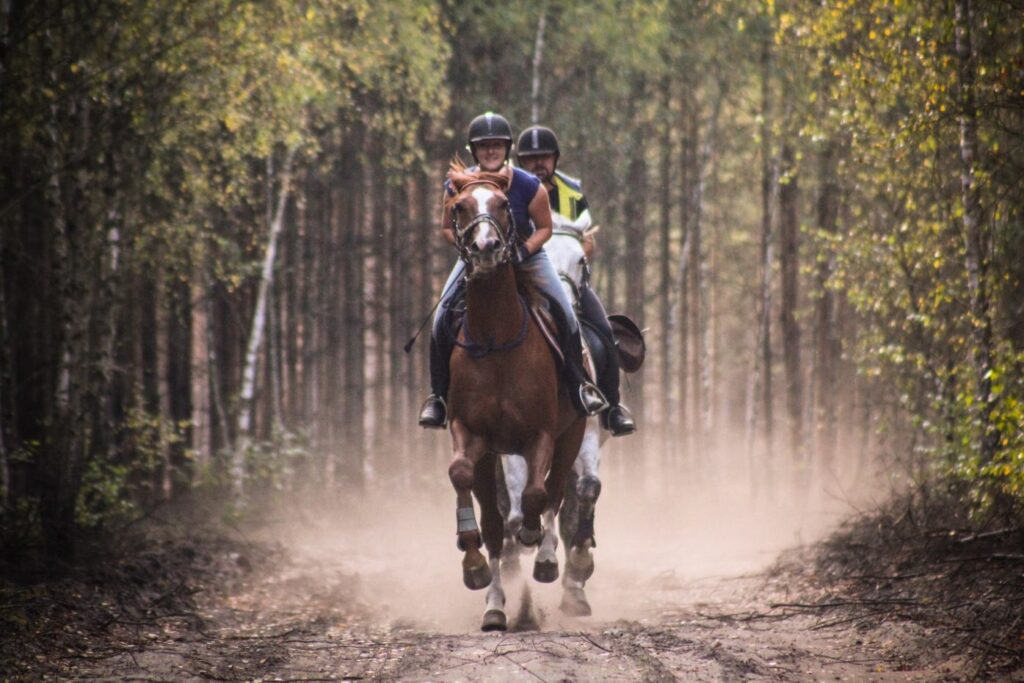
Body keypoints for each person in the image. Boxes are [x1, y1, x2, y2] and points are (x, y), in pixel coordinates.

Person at [418, 112, 607, 429]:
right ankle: (438, 398)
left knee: (565, 310)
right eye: (484, 146)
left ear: (506, 148)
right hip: (475, 259)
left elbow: (545, 228)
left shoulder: (527, 184)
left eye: (496, 145)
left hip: (527, 257)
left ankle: (579, 385)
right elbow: (446, 229)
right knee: (440, 317)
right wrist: (467, 251)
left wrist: (523, 251)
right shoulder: (457, 186)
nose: (490, 151)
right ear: (474, 150)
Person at [515, 125, 636, 436]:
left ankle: (613, 409)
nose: (538, 164)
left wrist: (581, 255)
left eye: (544, 157)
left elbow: (584, 240)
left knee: (606, 333)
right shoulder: (510, 188)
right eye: (530, 159)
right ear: (520, 162)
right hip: (522, 275)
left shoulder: (573, 190)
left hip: (568, 276)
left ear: (555, 159)